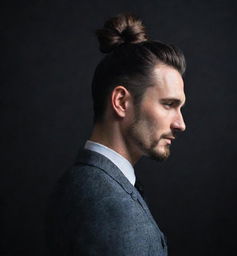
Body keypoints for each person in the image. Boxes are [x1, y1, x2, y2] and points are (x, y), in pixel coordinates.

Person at [46, 13, 186, 256]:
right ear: (121, 101)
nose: (180, 123)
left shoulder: (78, 182)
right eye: (168, 104)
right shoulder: (110, 206)